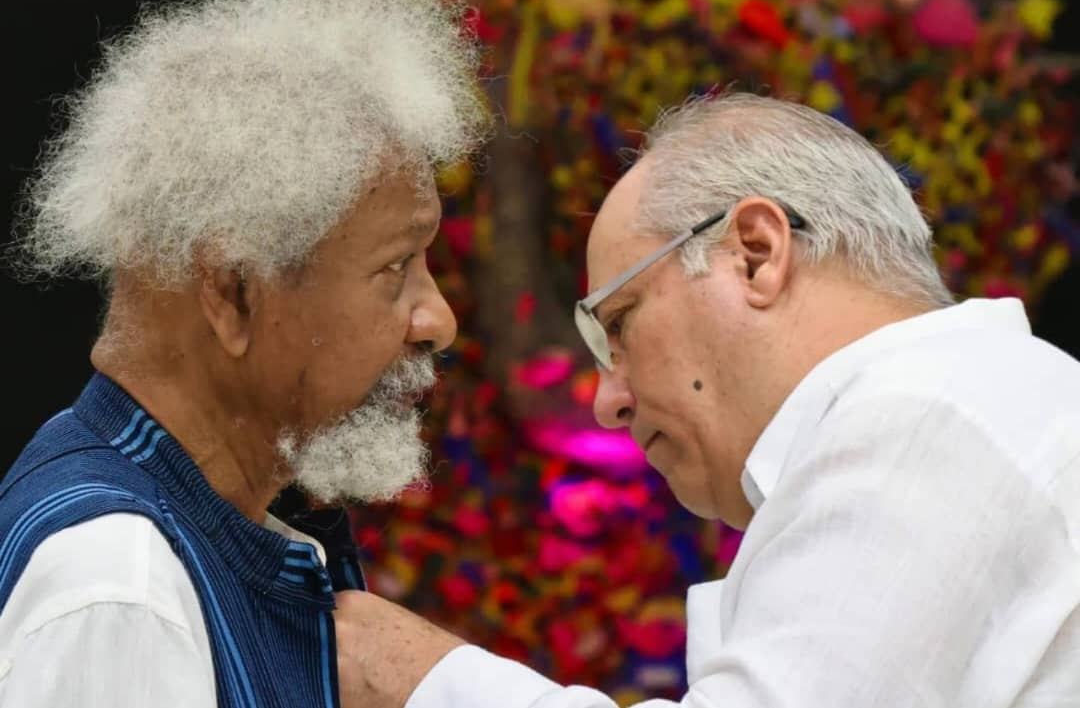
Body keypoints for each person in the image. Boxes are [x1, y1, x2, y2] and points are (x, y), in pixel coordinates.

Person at [332, 92, 1080, 708]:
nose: (608, 402)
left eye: (619, 323)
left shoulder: (928, 418)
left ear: (755, 253)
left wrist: (420, 675)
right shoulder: (969, 405)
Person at [0, 0, 489, 707]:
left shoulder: (209, 525)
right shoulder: (121, 582)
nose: (437, 319)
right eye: (395, 268)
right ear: (232, 292)